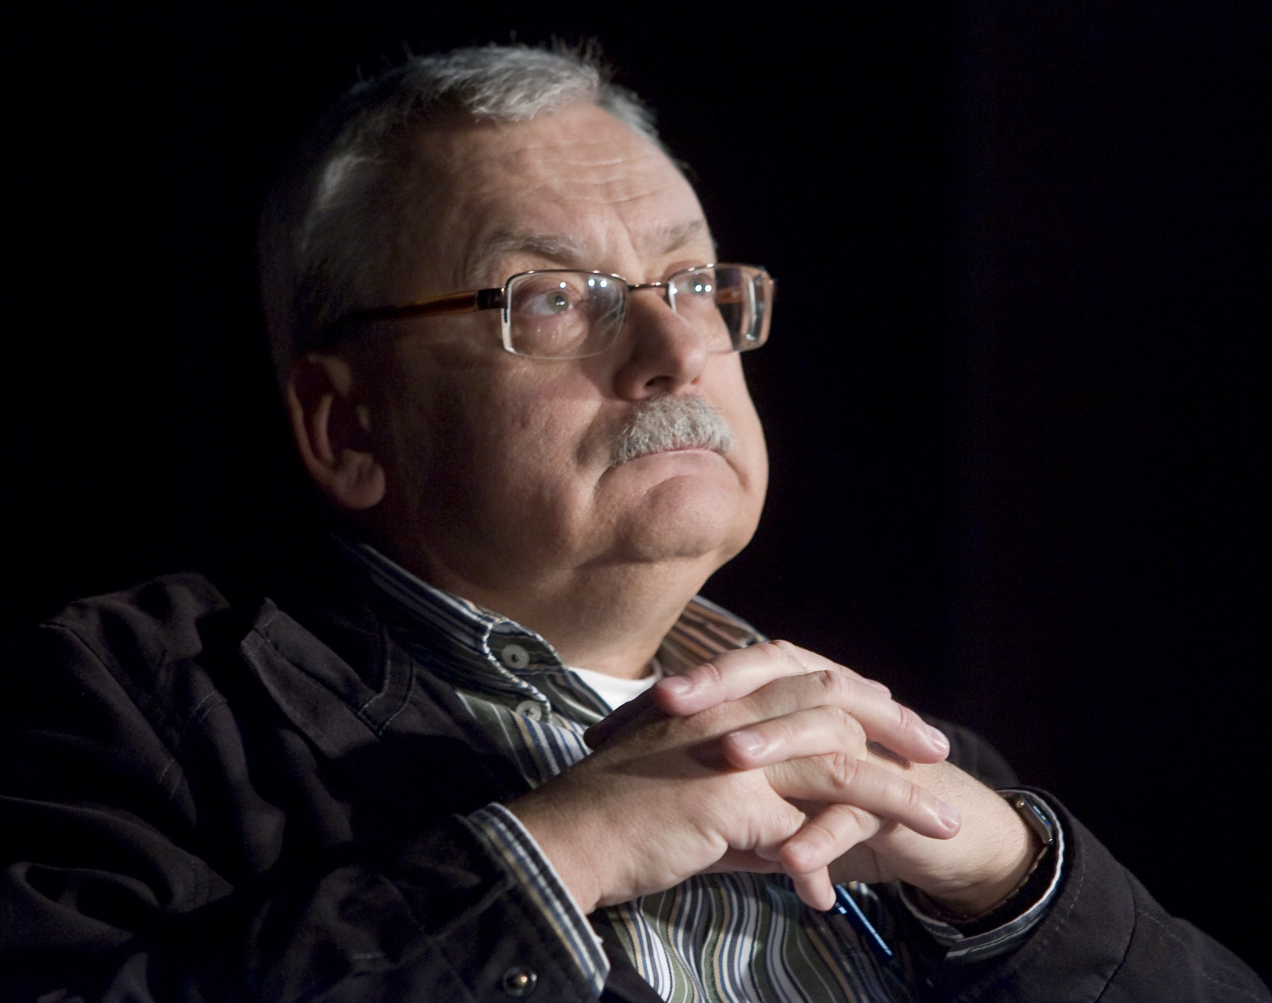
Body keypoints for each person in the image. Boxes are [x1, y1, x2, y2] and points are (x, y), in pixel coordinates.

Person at [1, 45, 1265, 1003]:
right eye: (555, 297)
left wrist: (1018, 884)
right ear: (349, 426)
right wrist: (554, 857)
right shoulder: (137, 704)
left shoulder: (903, 754)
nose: (674, 347)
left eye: (694, 282)